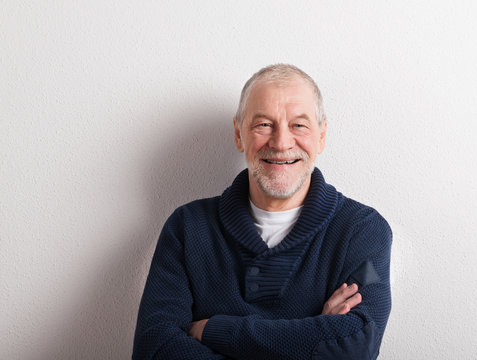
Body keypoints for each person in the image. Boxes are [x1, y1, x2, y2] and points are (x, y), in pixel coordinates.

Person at [132, 64, 392, 359]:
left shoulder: (363, 232)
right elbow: (153, 349)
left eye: (299, 125)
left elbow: (356, 344)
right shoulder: (187, 228)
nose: (281, 143)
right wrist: (314, 334)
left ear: (321, 136)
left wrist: (214, 330)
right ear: (239, 134)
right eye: (264, 125)